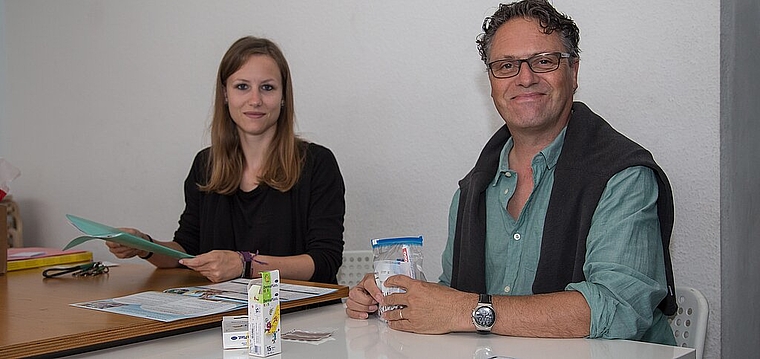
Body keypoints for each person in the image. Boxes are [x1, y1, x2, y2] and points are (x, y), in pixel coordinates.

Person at [345, 0, 677, 345]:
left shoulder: (623, 177)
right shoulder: (473, 189)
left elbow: (619, 307)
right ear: (491, 80)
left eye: (544, 61)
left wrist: (465, 310)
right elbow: (454, 295)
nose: (525, 78)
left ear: (574, 72)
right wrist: (397, 299)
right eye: (506, 66)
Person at [107, 36, 346, 284]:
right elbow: (187, 250)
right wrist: (143, 245)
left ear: (284, 96)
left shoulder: (318, 164)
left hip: (296, 315)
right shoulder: (205, 165)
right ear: (225, 94)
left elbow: (324, 262)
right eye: (242, 86)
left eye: (267, 87)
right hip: (222, 314)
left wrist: (245, 264)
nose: (255, 100)